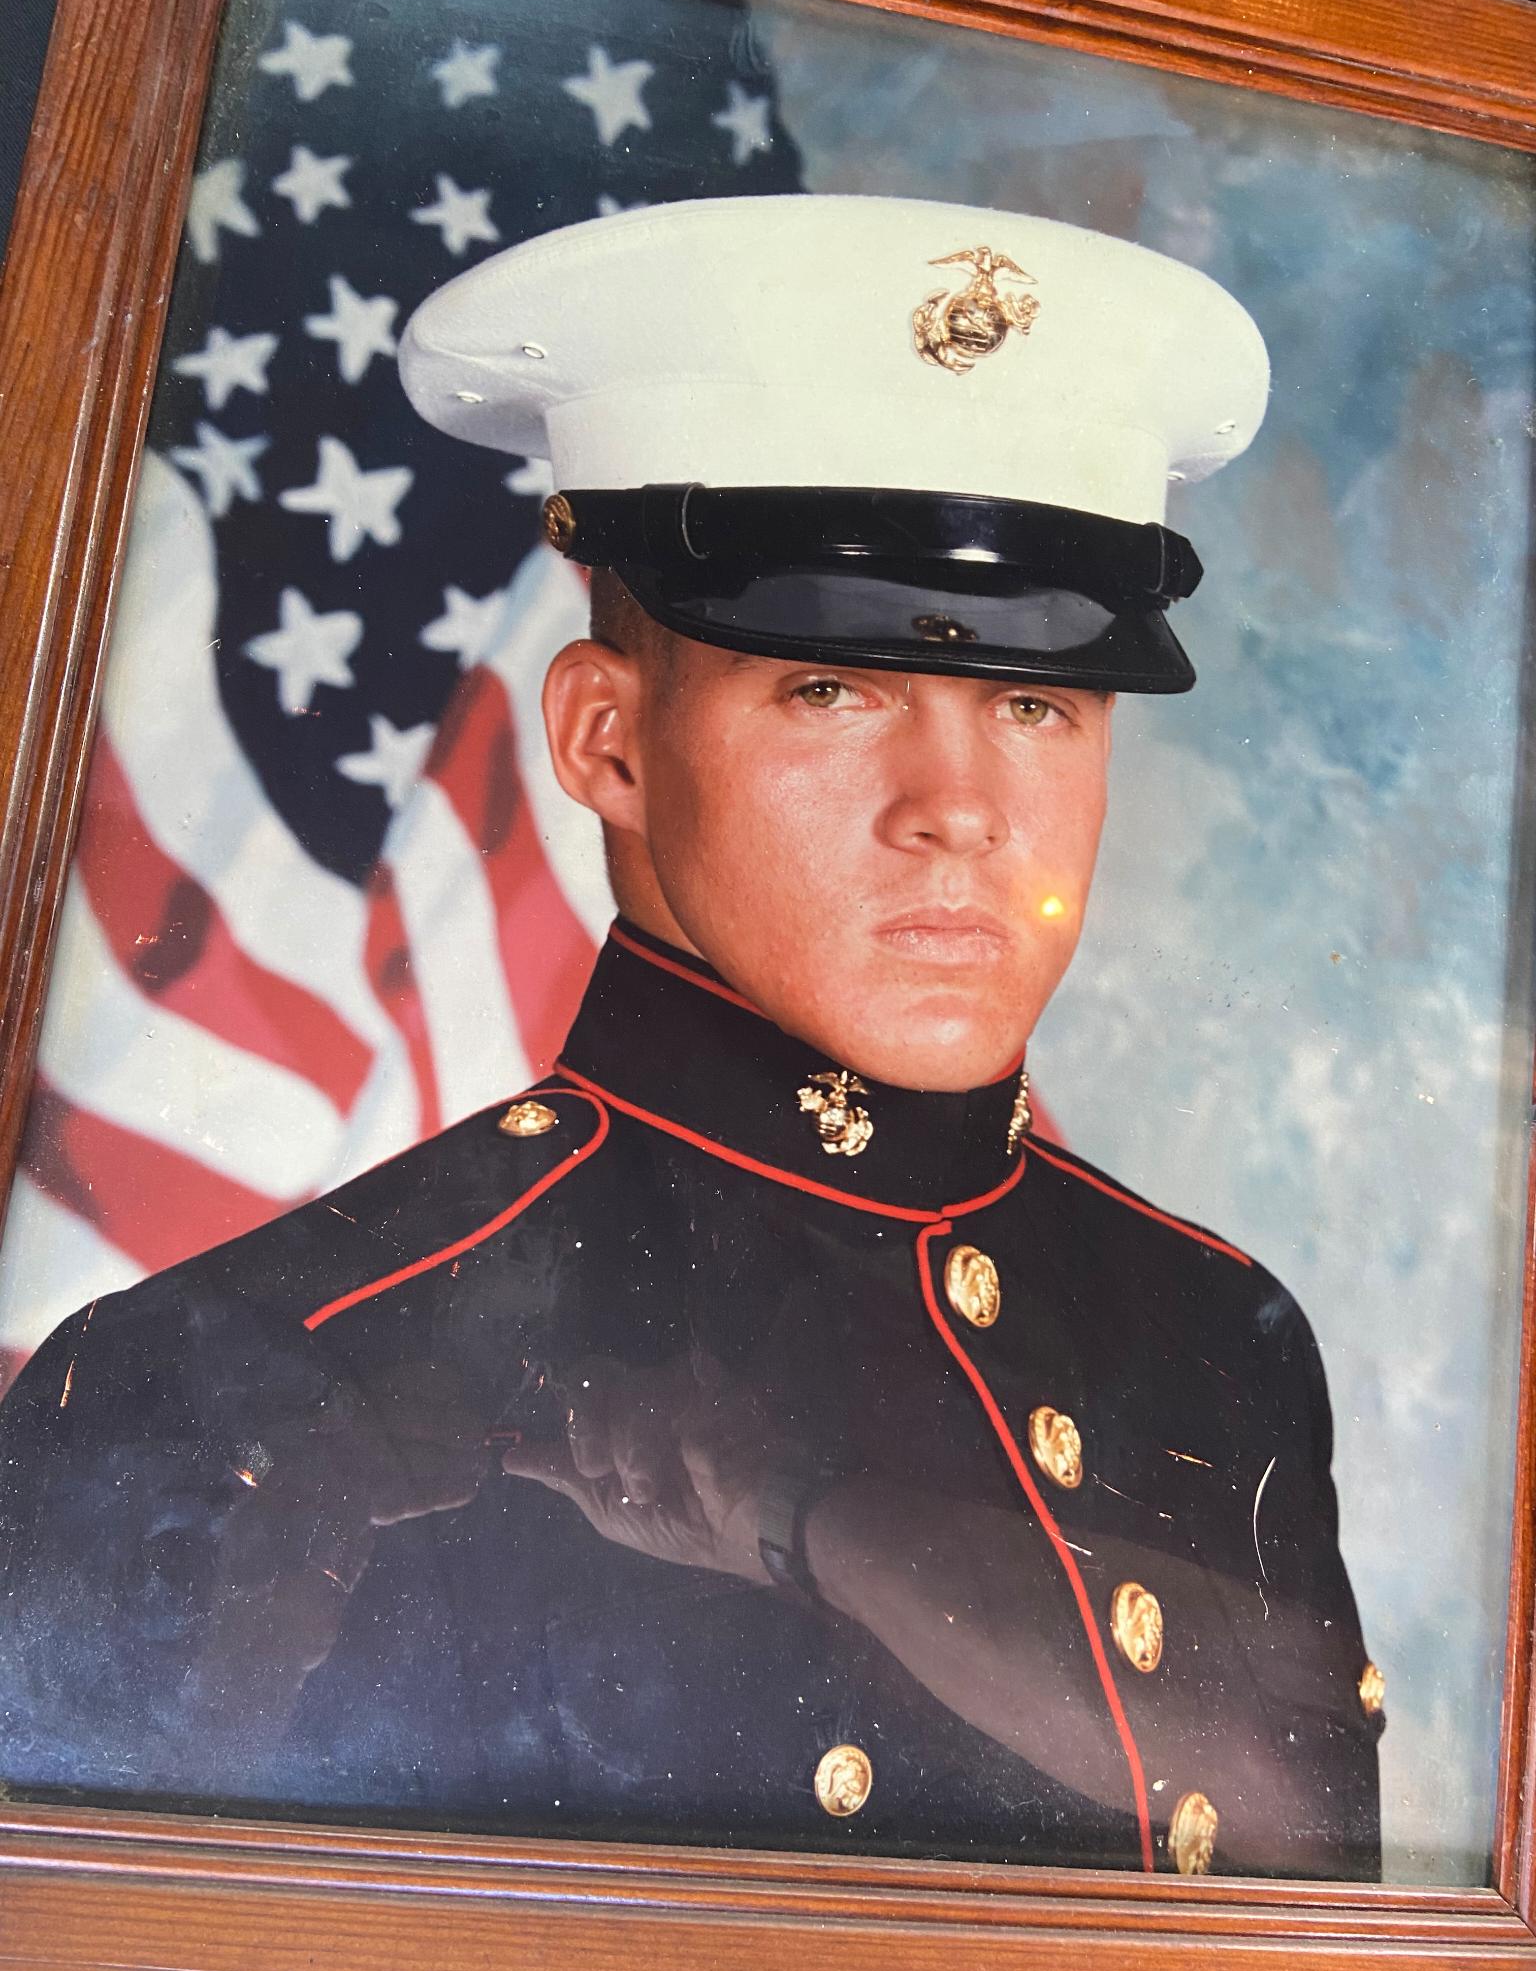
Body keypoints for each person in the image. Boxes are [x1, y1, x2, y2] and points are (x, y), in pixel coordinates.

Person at [0, 195, 1383, 1880]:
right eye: (830, 689)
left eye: (1037, 704)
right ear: (606, 741)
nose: (960, 811)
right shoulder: (244, 1378)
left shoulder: (1216, 1336)